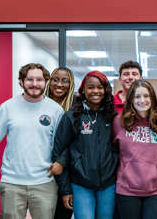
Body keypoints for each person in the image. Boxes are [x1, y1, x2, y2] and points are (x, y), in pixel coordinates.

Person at [0, 63, 65, 219]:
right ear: (21, 81)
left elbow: (62, 144)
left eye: (39, 79)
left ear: (46, 82)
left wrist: (60, 163)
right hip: (12, 182)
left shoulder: (55, 110)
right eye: (30, 79)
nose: (35, 84)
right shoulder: (8, 107)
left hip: (45, 181)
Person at [52, 71, 119, 219]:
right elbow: (59, 152)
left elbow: (119, 148)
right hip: (80, 184)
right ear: (83, 90)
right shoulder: (71, 116)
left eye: (100, 87)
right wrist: (65, 189)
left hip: (108, 184)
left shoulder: (113, 116)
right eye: (90, 87)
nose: (95, 91)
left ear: (105, 90)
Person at [112, 80, 157, 219]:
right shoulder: (119, 122)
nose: (142, 100)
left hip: (154, 190)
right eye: (137, 96)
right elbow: (113, 150)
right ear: (131, 99)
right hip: (126, 190)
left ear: (152, 98)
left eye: (146, 96)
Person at [45, 67, 76, 219]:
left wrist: (61, 161)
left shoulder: (76, 107)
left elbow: (76, 140)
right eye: (55, 80)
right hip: (43, 170)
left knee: (62, 214)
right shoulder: (40, 104)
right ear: (49, 82)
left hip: (66, 172)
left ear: (71, 84)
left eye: (65, 81)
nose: (59, 84)